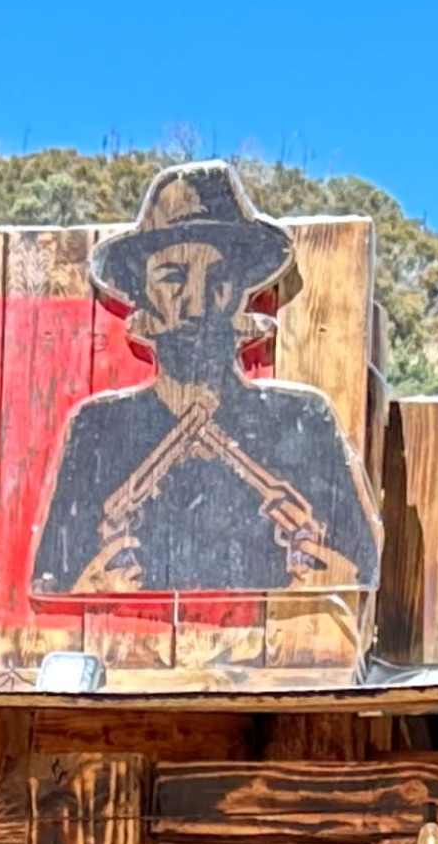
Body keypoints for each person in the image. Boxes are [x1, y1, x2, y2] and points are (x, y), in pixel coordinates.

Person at [28, 161, 384, 600]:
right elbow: (51, 586)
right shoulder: (97, 429)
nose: (195, 305)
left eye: (217, 279)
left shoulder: (305, 420)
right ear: (139, 294)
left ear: (240, 292)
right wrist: (92, 590)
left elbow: (362, 572)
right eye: (172, 278)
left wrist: (333, 584)